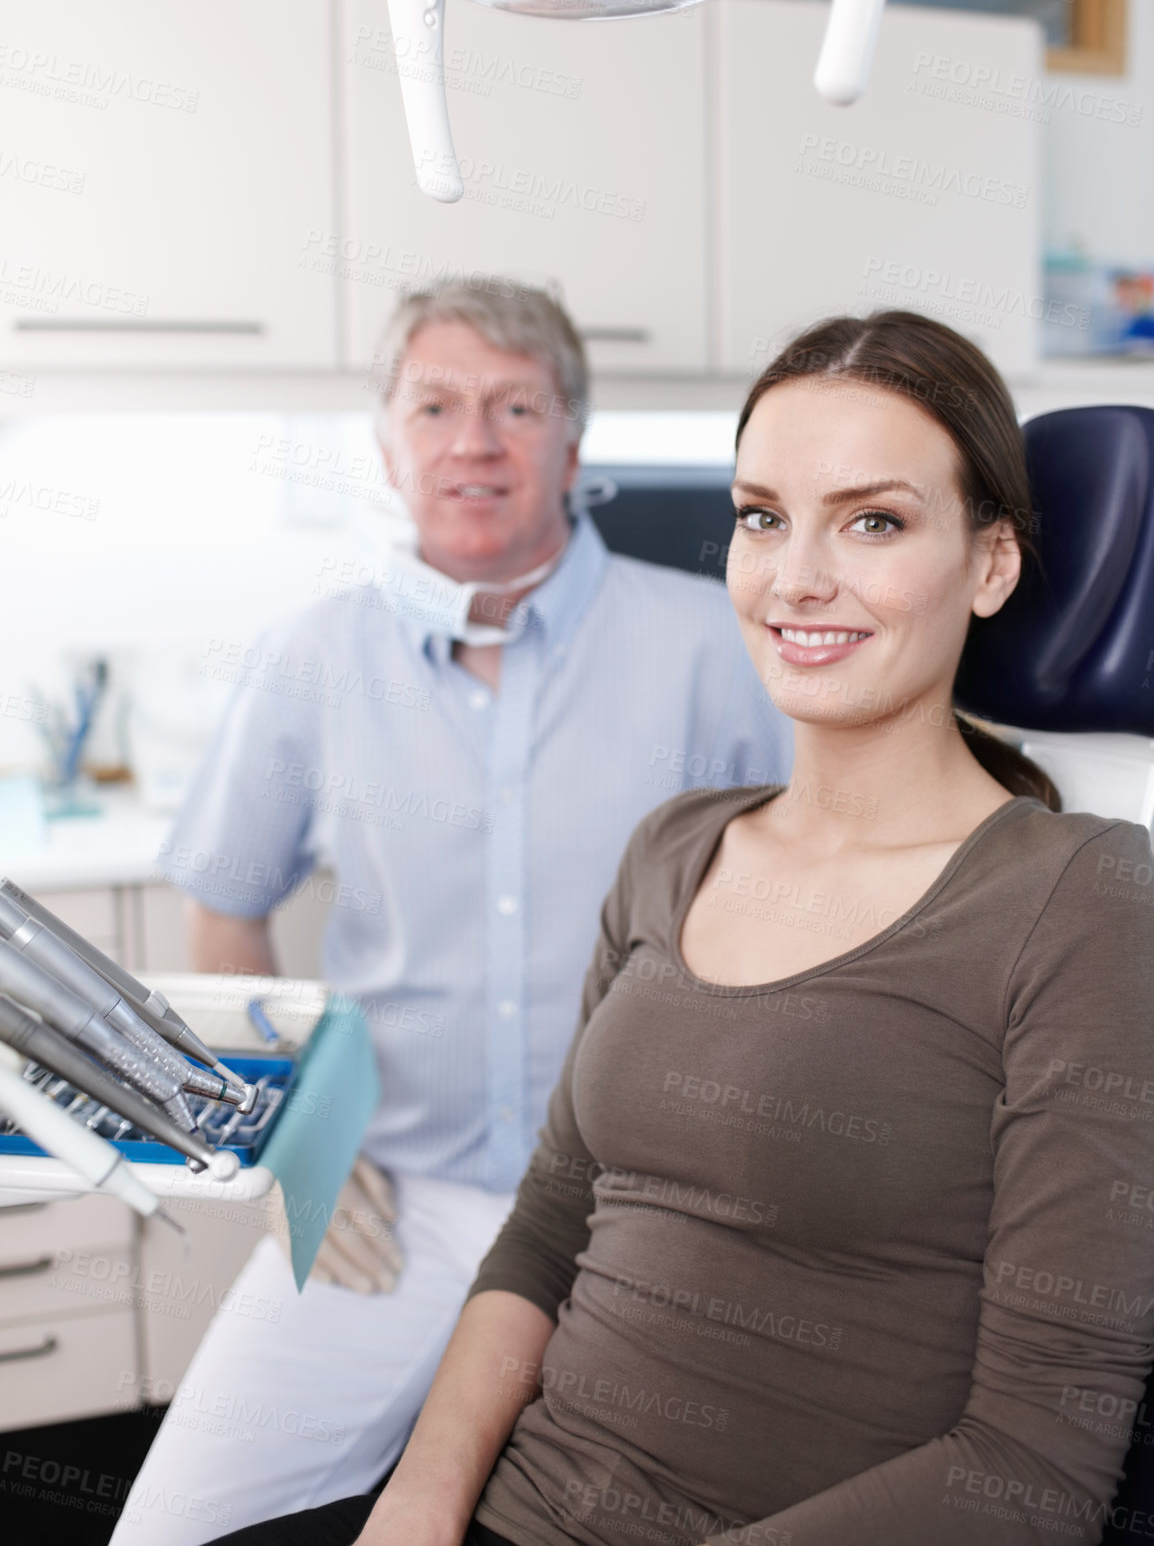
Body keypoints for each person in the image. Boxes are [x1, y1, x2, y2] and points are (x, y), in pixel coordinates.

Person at [207, 309, 1154, 1546]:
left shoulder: (1082, 900)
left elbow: (1033, 1463)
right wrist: (415, 1508)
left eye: (873, 521)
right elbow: (549, 1229)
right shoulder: (676, 846)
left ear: (988, 565)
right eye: (762, 516)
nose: (796, 576)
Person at [112, 280, 790, 1546]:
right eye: (436, 405)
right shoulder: (312, 659)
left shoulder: (719, 644)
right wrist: (290, 1141)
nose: (472, 440)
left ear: (571, 444)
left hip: (639, 1209)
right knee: (169, 1526)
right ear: (387, 446)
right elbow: (225, 905)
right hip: (391, 1198)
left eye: (513, 406)